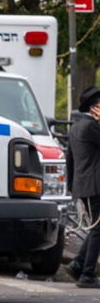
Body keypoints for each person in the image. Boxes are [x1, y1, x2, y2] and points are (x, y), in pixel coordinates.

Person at [66, 86, 100, 289]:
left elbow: (69, 159)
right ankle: (87, 274)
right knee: (97, 230)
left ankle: (78, 264)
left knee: (96, 228)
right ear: (95, 107)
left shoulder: (76, 126)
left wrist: (72, 186)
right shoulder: (91, 127)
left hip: (83, 186)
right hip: (94, 186)